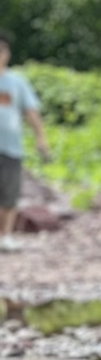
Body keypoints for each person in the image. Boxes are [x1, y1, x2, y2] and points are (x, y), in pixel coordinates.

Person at [0, 32, 49, 249]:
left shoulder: (17, 83)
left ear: (7, 54)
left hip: (11, 147)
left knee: (10, 194)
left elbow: (31, 112)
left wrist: (41, 138)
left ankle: (6, 236)